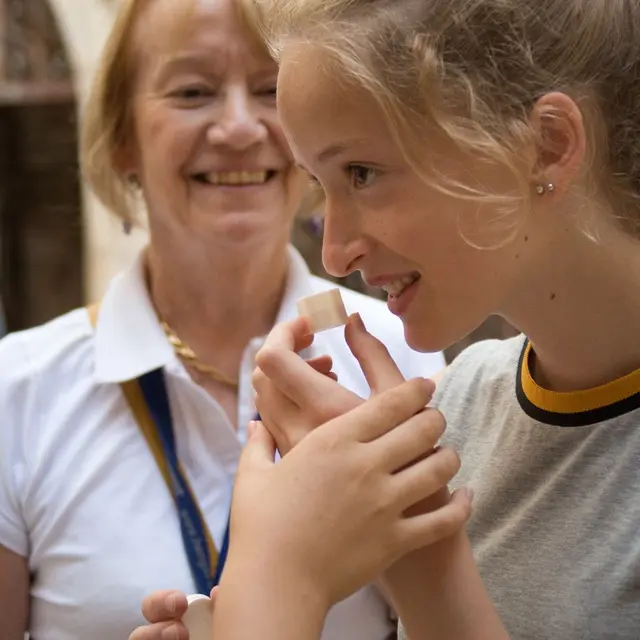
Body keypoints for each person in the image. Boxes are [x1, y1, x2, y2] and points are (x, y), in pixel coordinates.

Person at [140, 0, 640, 637]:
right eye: (322, 188)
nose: (334, 252)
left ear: (546, 145)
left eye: (362, 173)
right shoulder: (461, 404)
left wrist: (282, 577)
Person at [0, 0, 446, 638]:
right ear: (122, 135)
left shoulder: (408, 358)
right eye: (192, 91)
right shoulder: (17, 390)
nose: (239, 126)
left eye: (271, 89)